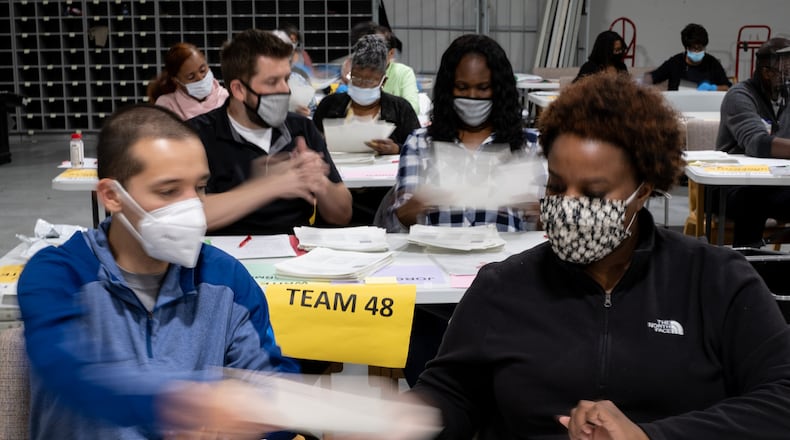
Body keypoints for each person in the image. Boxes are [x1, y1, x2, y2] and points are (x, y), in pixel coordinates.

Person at [408, 72, 790, 439]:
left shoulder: (715, 280)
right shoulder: (503, 286)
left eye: (592, 193)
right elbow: (453, 394)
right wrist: (405, 421)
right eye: (557, 186)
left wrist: (650, 436)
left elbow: (781, 398)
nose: (568, 204)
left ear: (644, 190)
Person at [17, 104, 299, 439]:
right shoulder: (57, 275)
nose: (192, 206)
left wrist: (260, 420)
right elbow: (68, 372)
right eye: (168, 191)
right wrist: (188, 403)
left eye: (200, 187)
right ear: (111, 196)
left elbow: (270, 384)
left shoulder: (227, 280)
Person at [389, 34, 535, 387]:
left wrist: (529, 203)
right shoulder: (421, 143)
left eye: (483, 88)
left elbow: (545, 223)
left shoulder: (527, 145)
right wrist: (427, 197)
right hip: (437, 284)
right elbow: (403, 215)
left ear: (498, 89)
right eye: (462, 87)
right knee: (430, 366)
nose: (472, 98)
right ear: (448, 89)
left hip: (508, 284)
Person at [189, 29, 352, 236]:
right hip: (227, 258)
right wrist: (270, 186)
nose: (285, 90)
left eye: (286, 79)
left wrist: (320, 182)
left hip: (295, 259)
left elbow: (342, 215)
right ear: (239, 90)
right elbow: (189, 217)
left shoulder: (301, 129)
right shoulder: (195, 136)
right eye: (272, 82)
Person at [716, 37, 790, 247]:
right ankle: (749, 263)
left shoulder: (787, 96)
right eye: (786, 71)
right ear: (767, 73)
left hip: (774, 183)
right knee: (752, 198)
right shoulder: (740, 96)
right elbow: (757, 143)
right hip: (729, 187)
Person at [314, 35, 420, 155]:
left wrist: (397, 149)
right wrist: (320, 141)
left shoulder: (400, 109)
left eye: (369, 81)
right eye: (356, 78)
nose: (361, 85)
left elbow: (419, 148)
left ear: (383, 81)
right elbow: (310, 143)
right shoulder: (329, 105)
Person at [341, 21, 420, 115]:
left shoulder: (404, 73)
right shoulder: (355, 69)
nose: (373, 54)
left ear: (391, 53)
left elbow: (413, 108)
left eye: (380, 51)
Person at [146, 42, 229, 120]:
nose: (200, 78)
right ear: (176, 81)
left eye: (203, 70)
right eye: (191, 77)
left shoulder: (226, 98)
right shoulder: (167, 105)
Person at [645, 23, 731, 91]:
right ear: (686, 48)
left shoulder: (712, 63)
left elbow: (727, 87)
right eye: (694, 48)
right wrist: (638, 81)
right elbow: (654, 76)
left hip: (705, 107)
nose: (697, 52)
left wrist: (714, 88)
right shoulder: (675, 63)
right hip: (677, 107)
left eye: (700, 48)